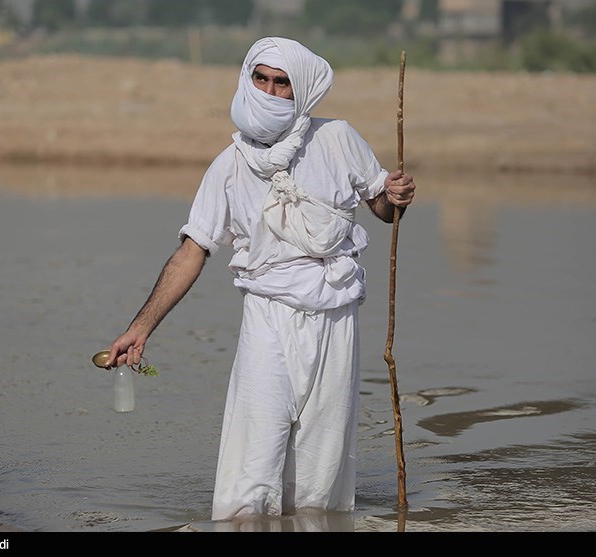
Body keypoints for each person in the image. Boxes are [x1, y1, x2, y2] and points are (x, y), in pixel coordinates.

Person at [104, 36, 416, 523]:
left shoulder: (337, 138)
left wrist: (395, 196)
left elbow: (379, 206)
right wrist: (141, 328)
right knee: (255, 458)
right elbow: (192, 251)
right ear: (247, 79)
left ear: (302, 91)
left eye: (282, 83)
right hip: (268, 317)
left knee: (324, 460)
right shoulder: (228, 167)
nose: (269, 91)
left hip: (336, 316)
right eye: (261, 78)